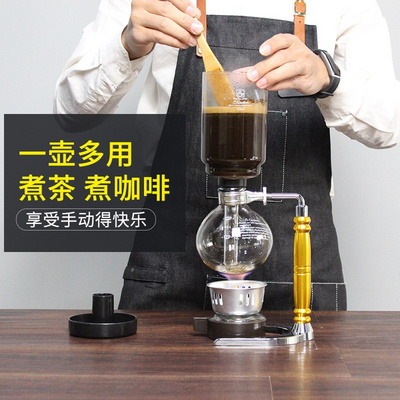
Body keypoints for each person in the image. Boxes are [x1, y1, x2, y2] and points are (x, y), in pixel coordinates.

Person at [54, 0, 399, 311]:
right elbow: (70, 115)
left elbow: (389, 127)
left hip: (297, 266)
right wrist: (129, 43)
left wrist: (328, 79)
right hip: (170, 258)